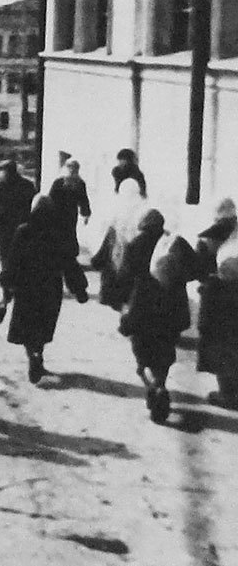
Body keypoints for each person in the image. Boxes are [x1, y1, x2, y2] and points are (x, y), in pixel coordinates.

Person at [117, 209, 199, 423]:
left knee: (144, 361)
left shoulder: (138, 259)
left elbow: (125, 280)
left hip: (142, 329)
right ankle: (160, 386)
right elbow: (196, 268)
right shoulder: (176, 248)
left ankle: (153, 386)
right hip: (168, 330)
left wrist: (124, 323)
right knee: (162, 362)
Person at [0, 196, 88, 384]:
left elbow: (12, 261)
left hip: (26, 288)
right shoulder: (59, 232)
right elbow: (69, 263)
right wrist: (79, 288)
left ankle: (33, 355)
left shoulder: (23, 231)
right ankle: (38, 352)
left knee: (26, 326)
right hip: (50, 288)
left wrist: (7, 286)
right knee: (43, 325)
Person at [195, 199, 238, 409]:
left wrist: (211, 286)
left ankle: (228, 395)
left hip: (229, 304)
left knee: (225, 347)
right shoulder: (231, 235)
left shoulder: (230, 250)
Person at [90, 178, 147, 310]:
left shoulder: (117, 204)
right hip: (134, 243)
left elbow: (109, 224)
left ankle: (113, 298)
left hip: (118, 243)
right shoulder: (142, 205)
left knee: (115, 270)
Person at [0, 159, 36, 271]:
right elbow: (34, 205)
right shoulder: (27, 185)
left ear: (6, 172)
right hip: (22, 225)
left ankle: (7, 277)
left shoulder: (1, 186)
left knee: (5, 253)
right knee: (21, 253)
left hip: (4, 227)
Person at [49, 158, 92, 256]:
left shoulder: (80, 184)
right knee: (58, 233)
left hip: (70, 213)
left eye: (74, 168)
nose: (72, 170)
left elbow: (83, 199)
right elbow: (51, 197)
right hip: (57, 212)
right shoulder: (59, 182)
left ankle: (68, 255)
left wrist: (85, 214)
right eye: (70, 167)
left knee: (69, 233)